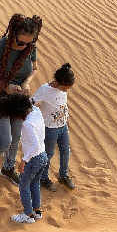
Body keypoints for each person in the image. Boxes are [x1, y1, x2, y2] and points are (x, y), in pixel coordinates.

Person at [0, 13, 43, 197]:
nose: (25, 46)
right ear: (13, 34)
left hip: (17, 102)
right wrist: (4, 85)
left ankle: (7, 168)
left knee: (16, 137)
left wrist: (26, 83)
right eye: (21, 43)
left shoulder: (30, 47)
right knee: (3, 140)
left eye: (29, 43)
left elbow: (34, 69)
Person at [0, 93, 47, 223]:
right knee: (35, 184)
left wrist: (24, 160)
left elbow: (35, 144)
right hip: (43, 156)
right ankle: (37, 211)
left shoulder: (28, 124)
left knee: (24, 187)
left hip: (33, 159)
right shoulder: (36, 111)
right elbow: (30, 102)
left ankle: (28, 215)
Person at [33, 63, 75, 191]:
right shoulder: (45, 90)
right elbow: (32, 102)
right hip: (50, 128)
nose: (65, 91)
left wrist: (66, 118)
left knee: (65, 152)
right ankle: (43, 178)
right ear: (56, 82)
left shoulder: (62, 90)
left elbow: (63, 105)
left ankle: (63, 176)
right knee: (49, 154)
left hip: (63, 127)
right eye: (64, 88)